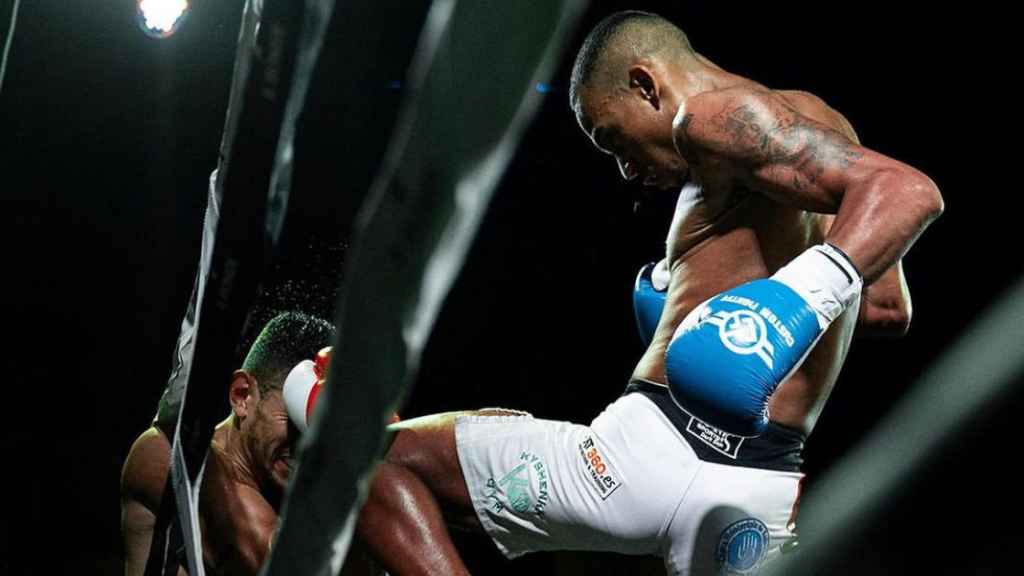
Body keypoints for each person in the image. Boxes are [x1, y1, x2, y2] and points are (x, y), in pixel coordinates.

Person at [330, 10, 942, 576]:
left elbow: (910, 192)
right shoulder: (824, 130)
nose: (625, 168)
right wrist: (745, 312)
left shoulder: (706, 119)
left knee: (375, 458)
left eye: (611, 137)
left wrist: (780, 310)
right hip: (759, 489)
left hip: (642, 455)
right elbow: (887, 308)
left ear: (645, 84)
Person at [120, 312, 338, 576]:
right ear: (242, 395)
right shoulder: (167, 453)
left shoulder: (296, 480)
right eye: (297, 419)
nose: (309, 443)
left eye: (323, 427)